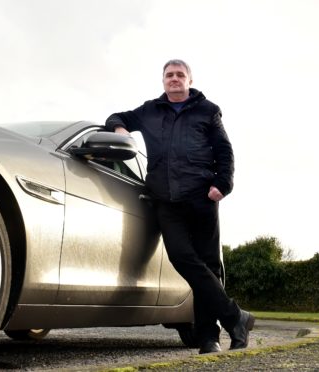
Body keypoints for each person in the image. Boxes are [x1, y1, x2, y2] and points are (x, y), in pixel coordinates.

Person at [105, 59, 254, 354]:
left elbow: (225, 151)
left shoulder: (207, 110)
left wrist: (222, 186)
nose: (174, 79)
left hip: (201, 198)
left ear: (189, 80)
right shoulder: (149, 110)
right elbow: (115, 116)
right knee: (182, 258)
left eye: (180, 75)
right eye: (169, 75)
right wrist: (121, 129)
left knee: (208, 266)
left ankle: (209, 338)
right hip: (165, 201)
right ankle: (236, 317)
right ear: (163, 81)